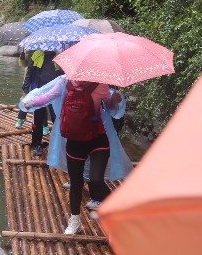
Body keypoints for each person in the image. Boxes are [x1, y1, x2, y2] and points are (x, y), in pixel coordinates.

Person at [20, 75, 133, 235]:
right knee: (76, 184)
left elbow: (112, 109)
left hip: (98, 139)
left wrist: (116, 100)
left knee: (96, 179)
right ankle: (75, 220)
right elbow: (48, 96)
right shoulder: (64, 82)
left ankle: (114, 210)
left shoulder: (100, 84)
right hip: (74, 141)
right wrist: (30, 103)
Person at [22, 50, 64, 156]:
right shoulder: (37, 55)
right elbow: (30, 73)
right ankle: (36, 144)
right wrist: (25, 90)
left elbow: (64, 76)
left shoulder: (60, 57)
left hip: (55, 93)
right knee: (38, 119)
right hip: (39, 91)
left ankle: (59, 146)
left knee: (57, 119)